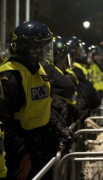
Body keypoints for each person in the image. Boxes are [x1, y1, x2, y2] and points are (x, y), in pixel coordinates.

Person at [0, 21, 65, 179]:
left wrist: (59, 127)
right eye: (41, 46)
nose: (45, 50)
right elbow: (4, 125)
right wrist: (22, 155)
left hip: (40, 147)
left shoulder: (39, 70)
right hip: (21, 152)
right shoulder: (10, 77)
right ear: (27, 47)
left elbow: (45, 105)